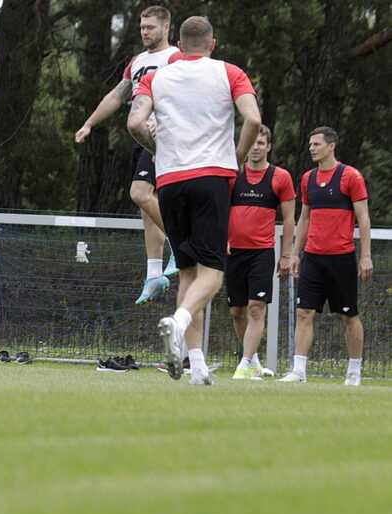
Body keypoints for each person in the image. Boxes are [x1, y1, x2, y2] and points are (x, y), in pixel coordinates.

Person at [127, 16, 261, 386]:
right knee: (212, 273)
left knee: (187, 272)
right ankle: (180, 320)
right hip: (211, 178)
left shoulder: (156, 76)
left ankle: (197, 367)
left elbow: (135, 123)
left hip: (169, 182)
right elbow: (252, 118)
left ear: (179, 46)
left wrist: (160, 151)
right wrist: (235, 159)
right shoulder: (229, 72)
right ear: (212, 44)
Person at [75, 5, 183, 305]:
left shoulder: (174, 57)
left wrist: (168, 122)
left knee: (139, 192)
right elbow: (117, 95)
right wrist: (89, 123)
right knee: (147, 208)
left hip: (165, 136)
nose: (144, 32)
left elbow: (188, 92)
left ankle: (181, 244)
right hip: (140, 137)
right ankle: (153, 274)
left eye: (150, 27)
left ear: (165, 27)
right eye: (142, 27)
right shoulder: (137, 61)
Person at [277, 127, 373, 386]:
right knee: (304, 312)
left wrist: (365, 256)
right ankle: (298, 371)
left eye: (316, 144)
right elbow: (305, 218)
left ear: (331, 146)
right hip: (313, 258)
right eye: (310, 144)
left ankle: (353, 372)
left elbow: (363, 218)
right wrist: (296, 253)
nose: (311, 148)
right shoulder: (308, 178)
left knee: (349, 315)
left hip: (342, 258)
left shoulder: (351, 176)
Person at [227, 125, 296, 380]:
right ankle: (253, 360)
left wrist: (286, 254)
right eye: (252, 143)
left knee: (256, 308)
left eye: (261, 143)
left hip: (262, 253)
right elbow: (220, 209)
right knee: (237, 311)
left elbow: (289, 219)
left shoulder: (281, 177)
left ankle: (244, 364)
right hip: (233, 252)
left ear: (269, 147)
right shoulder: (233, 175)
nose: (255, 147)